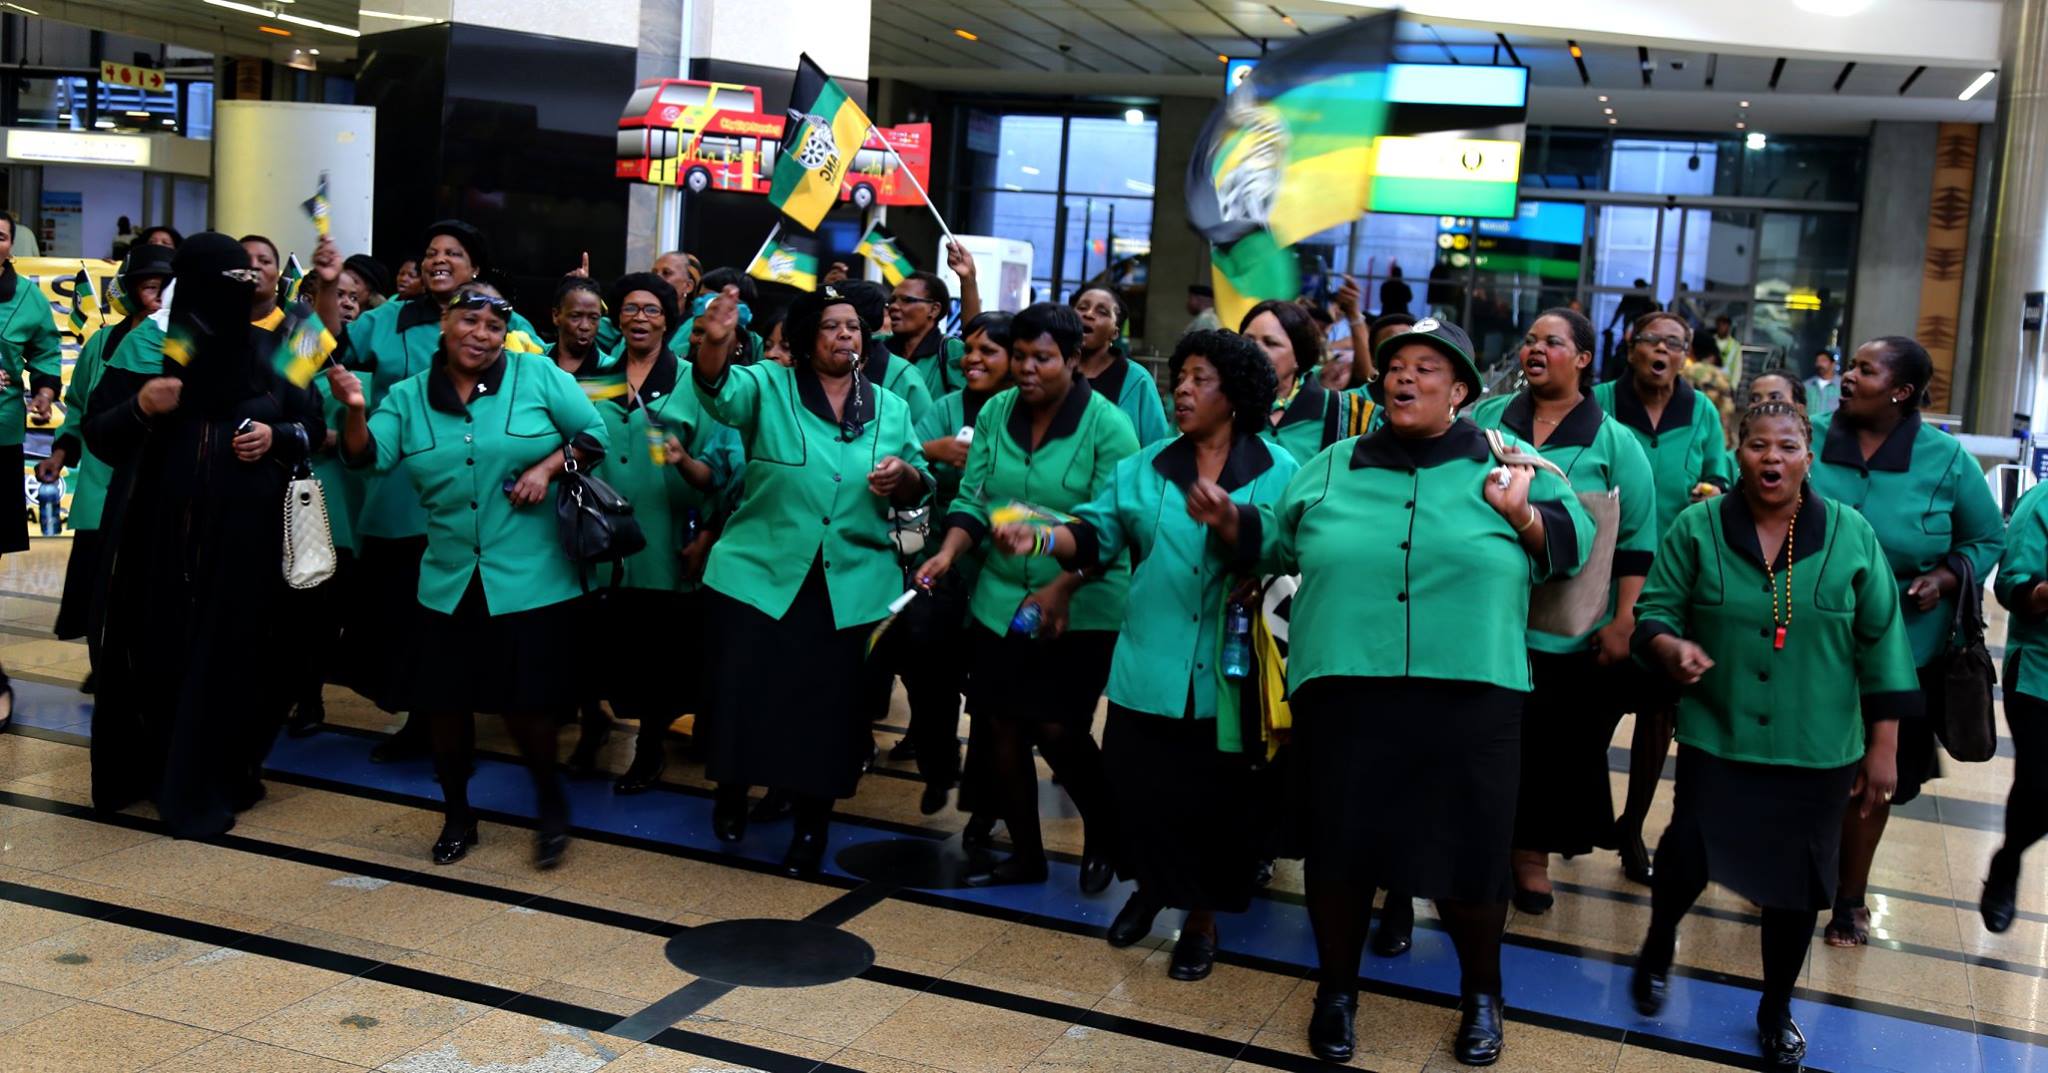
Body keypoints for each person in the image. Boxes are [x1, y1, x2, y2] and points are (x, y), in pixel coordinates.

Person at [1251, 317, 1591, 1065]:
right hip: (1346, 691)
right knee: (1339, 853)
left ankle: (1481, 993)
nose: (1405, 378)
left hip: (1472, 697)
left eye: (1427, 368)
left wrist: (1523, 516)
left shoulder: (1510, 467)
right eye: (1396, 366)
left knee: (1471, 857)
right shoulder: (1330, 467)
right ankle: (1336, 990)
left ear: (1463, 391)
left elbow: (1572, 550)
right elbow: (1272, 545)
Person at [990, 329, 1295, 980]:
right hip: (1150, 661)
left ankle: (1202, 922)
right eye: (1178, 376)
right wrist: (1044, 537)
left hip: (1231, 669)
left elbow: (1296, 552)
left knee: (1216, 804)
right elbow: (1094, 534)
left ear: (1236, 395)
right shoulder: (1146, 466)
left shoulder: (1281, 471)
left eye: (1199, 379)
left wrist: (1235, 526)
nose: (1181, 388)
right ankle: (1152, 889)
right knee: (1141, 792)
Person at [1630, 400, 1916, 1069]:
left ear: (1808, 457)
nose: (1772, 458)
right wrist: (1670, 646)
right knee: (1688, 850)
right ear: (1738, 452)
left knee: (1795, 884)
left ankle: (1776, 1006)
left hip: (1816, 746)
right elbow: (1654, 610)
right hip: (1718, 732)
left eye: (1787, 446)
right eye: (1759, 445)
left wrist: (1884, 747)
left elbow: (1882, 644)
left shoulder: (1849, 533)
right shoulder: (1698, 526)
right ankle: (1658, 938)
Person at [327, 279, 607, 868]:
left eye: (493, 326)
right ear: (444, 327)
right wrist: (354, 410)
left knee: (527, 706)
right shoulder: (405, 397)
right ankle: (458, 814)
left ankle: (551, 808)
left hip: (530, 578)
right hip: (448, 576)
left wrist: (548, 468)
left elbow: (593, 438)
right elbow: (366, 459)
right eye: (469, 322)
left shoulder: (538, 378)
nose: (481, 335)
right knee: (445, 707)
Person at [84, 232, 337, 836]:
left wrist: (277, 439)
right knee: (158, 651)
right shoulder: (144, 343)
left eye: (250, 274)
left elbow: (315, 428)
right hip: (156, 542)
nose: (242, 286)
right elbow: (100, 433)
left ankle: (225, 771)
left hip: (245, 543)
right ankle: (156, 768)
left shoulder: (286, 342)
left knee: (239, 658)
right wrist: (143, 405)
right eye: (224, 278)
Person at [690, 282, 931, 876]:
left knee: (828, 712)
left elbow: (922, 478)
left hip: (849, 583)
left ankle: (811, 828)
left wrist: (903, 475)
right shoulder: (768, 385)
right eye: (832, 326)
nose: (846, 335)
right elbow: (717, 392)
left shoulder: (890, 407)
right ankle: (731, 791)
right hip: (758, 574)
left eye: (854, 326)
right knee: (748, 693)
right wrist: (716, 343)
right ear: (805, 337)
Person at [914, 302, 1139, 889]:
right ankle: (1026, 855)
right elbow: (972, 496)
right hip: (998, 599)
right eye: (1020, 356)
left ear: (1071, 359)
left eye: (1043, 358)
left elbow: (1113, 530)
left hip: (1081, 601)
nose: (1028, 368)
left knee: (1059, 727)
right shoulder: (995, 411)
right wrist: (949, 551)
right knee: (1000, 725)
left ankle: (1108, 832)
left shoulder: (1108, 426)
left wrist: (1061, 586)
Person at [1811, 336, 2004, 946]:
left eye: (1866, 370)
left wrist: (1945, 577)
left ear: (1900, 391)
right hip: (1807, 636)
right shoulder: (1809, 437)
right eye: (1851, 366)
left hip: (1905, 648)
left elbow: (1986, 538)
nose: (1848, 377)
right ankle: (1787, 877)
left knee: (1874, 776)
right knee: (1800, 766)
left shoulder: (1945, 459)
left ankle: (1848, 898)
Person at [335, 221, 546, 762]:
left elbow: (545, 379)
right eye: (430, 252)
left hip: (479, 509)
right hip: (397, 500)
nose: (438, 260)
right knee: (408, 625)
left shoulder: (506, 321)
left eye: (454, 252)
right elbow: (312, 351)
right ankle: (423, 720)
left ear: (475, 268)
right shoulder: (388, 319)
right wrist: (322, 287)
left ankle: (457, 722)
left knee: (470, 632)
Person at [1471, 308, 1657, 913]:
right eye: (1529, 340)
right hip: (1489, 618)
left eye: (1552, 342)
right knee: (1485, 739)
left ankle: (1530, 855)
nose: (1535, 349)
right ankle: (1481, 848)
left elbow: (1636, 542)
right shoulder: (1487, 422)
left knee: (1551, 745)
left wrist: (1624, 619)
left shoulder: (1614, 441)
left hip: (1568, 630)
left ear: (1582, 359)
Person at [582, 272, 737, 794]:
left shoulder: (696, 382)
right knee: (600, 644)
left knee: (657, 654)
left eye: (651, 310)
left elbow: (717, 474)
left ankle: (648, 751)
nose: (639, 318)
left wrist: (686, 467)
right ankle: (592, 728)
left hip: (665, 539)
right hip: (602, 540)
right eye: (629, 309)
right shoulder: (599, 377)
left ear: (669, 320)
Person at [1593, 310, 1731, 884]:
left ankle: (1631, 828)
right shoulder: (1597, 401)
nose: (1662, 351)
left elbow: (1721, 480)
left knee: (1657, 715)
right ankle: (1571, 818)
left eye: (1675, 344)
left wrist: (1712, 493)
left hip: (1670, 584)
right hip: (1596, 578)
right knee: (1586, 712)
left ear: (1686, 355)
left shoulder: (1700, 412)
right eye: (1652, 340)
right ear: (1631, 348)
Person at [897, 311, 1015, 813]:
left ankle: (984, 808)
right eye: (969, 349)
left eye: (989, 351)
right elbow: (905, 457)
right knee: (927, 674)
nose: (973, 359)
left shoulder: (1022, 414)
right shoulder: (947, 407)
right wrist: (934, 451)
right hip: (940, 564)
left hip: (1001, 571)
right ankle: (938, 764)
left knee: (992, 697)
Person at [50, 245, 176, 692]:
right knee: (96, 586)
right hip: (101, 488)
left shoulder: (184, 346)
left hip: (157, 487)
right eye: (148, 283)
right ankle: (102, 664)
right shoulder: (102, 342)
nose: (157, 293)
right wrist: (60, 454)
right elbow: (79, 407)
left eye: (165, 283)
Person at [0, 210, 62, 726]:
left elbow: (45, 352)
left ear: (10, 244)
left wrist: (43, 393)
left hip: (0, 437)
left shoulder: (28, 298)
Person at [1985, 480, 2048, 932]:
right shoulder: (2043, 501)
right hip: (2040, 676)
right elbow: (2011, 586)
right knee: (2040, 785)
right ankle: (2007, 865)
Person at [1242, 300, 1376, 466]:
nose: (1255, 350)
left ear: (1299, 357)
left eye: (1271, 343)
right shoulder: (1222, 405)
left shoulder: (1349, 414)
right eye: (1248, 340)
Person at [1073, 286, 1170, 446]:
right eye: (1082, 307)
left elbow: (1158, 448)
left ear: (1115, 332)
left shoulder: (1137, 379)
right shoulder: (1055, 369)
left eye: (1102, 312)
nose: (1088, 314)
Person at [888, 241, 982, 398]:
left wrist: (968, 279)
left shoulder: (949, 351)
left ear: (934, 309)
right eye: (892, 300)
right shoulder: (879, 348)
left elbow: (975, 335)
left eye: (906, 300)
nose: (894, 307)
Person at [1806, 350, 1841, 417]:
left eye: (1823, 361)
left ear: (1833, 364)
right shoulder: (1807, 385)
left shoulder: (1841, 385)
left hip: (1833, 426)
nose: (1819, 364)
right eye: (1817, 361)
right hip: (1810, 426)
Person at [1713, 315, 1742, 381]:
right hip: (1709, 379)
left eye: (1724, 325)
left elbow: (1737, 367)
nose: (1721, 327)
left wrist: (1733, 386)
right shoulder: (1710, 341)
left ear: (1729, 327)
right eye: (1719, 325)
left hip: (1725, 381)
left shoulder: (1735, 345)